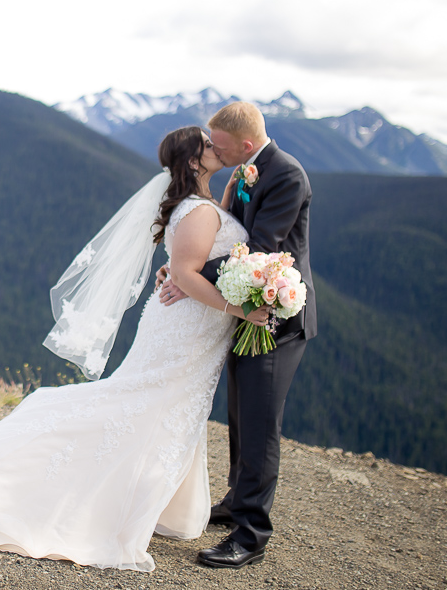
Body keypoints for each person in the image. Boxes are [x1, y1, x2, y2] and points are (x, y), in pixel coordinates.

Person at [0, 126, 267, 572]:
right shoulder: (199, 211)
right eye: (206, 145)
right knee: (149, 401)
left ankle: (155, 501)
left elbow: (194, 260)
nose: (214, 147)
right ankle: (56, 486)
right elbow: (187, 275)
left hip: (188, 324)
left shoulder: (200, 206)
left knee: (158, 403)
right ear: (191, 160)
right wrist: (242, 310)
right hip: (188, 328)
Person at [157, 102, 317, 569]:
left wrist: (189, 274)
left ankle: (251, 534)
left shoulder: (286, 175)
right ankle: (234, 500)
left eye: (220, 146)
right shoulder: (247, 169)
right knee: (242, 414)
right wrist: (185, 267)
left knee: (261, 424)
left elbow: (261, 250)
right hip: (246, 312)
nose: (215, 151)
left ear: (246, 145)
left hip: (275, 319)